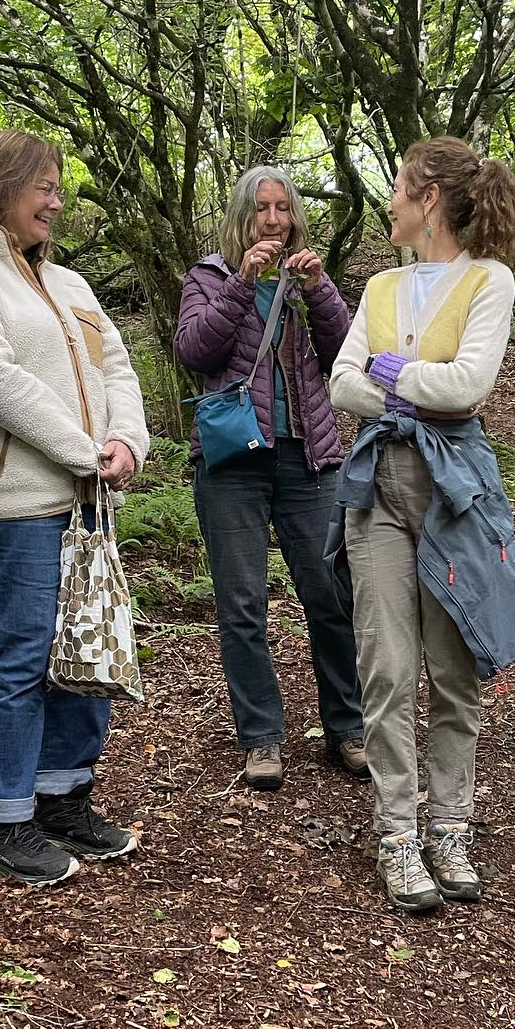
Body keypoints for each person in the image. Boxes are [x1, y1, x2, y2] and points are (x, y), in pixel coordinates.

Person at [329, 137, 515, 912]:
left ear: (428, 198)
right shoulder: (380, 286)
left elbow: (471, 386)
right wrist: (409, 389)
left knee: (454, 671)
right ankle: (398, 834)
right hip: (376, 489)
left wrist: (391, 378)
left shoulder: (490, 280)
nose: (387, 199)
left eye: (396, 185)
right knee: (385, 665)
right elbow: (339, 384)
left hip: (455, 491)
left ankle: (450, 824)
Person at [0, 130, 150, 883]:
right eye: (47, 189)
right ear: (3, 184)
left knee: (86, 649)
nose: (58, 202)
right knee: (23, 649)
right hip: (18, 499)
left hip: (90, 496)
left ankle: (63, 798)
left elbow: (117, 364)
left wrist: (127, 439)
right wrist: (82, 449)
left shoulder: (68, 284)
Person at [176, 166, 367, 791]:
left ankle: (348, 726)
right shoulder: (208, 278)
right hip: (234, 461)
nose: (275, 220)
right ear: (241, 215)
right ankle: (260, 736)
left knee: (331, 593)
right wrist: (242, 283)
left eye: (284, 208)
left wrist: (320, 291)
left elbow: (349, 355)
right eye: (262, 208)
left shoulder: (307, 276)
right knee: (241, 604)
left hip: (307, 455)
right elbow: (195, 352)